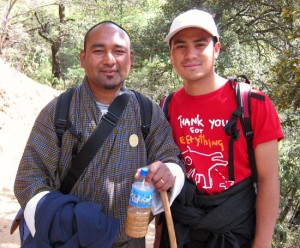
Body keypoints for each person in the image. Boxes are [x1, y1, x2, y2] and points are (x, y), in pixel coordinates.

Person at [13, 21, 185, 247]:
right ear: (82, 58)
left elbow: (171, 157)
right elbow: (29, 179)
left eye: (119, 51)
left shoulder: (147, 112)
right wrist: (68, 223)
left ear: (131, 59)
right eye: (98, 50)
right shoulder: (59, 111)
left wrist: (168, 172)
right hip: (68, 240)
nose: (109, 60)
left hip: (128, 241)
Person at [156, 9, 284, 248]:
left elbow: (269, 180)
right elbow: (166, 184)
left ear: (216, 49)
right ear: (171, 54)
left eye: (200, 44)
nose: (190, 54)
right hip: (181, 231)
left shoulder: (253, 103)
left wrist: (262, 244)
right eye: (180, 46)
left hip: (234, 233)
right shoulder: (165, 107)